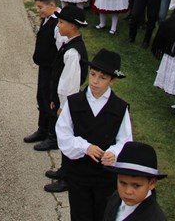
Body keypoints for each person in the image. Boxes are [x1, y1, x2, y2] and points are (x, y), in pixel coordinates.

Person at [55, 49, 131, 221]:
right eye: (93, 74)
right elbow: (63, 134)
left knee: (103, 215)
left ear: (112, 80)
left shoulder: (119, 108)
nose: (95, 81)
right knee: (80, 215)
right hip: (78, 174)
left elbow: (125, 140)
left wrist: (113, 153)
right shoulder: (74, 102)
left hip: (105, 177)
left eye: (102, 78)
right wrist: (85, 147)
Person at [36, 4, 89, 156]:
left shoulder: (73, 52)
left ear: (72, 26)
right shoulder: (68, 44)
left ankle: (55, 140)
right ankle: (48, 133)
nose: (58, 25)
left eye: (61, 22)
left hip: (65, 98)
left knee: (61, 121)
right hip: (58, 94)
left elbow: (70, 82)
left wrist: (63, 103)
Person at [24, 0, 63, 148]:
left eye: (41, 7)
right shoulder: (47, 18)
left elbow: (61, 49)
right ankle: (42, 128)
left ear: (52, 5)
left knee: (50, 99)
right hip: (44, 67)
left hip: (52, 69)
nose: (38, 10)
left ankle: (53, 136)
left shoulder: (58, 23)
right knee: (41, 96)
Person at [102, 141, 168, 221]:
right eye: (123, 183)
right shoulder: (115, 197)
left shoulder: (155, 218)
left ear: (152, 183)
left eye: (136, 185)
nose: (128, 191)